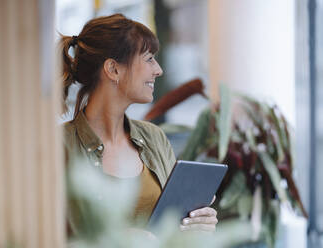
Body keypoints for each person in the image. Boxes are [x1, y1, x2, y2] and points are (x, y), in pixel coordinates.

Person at [60, 13, 218, 237]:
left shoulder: (155, 137)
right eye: (149, 58)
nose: (158, 70)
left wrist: (198, 226)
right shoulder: (58, 146)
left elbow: (175, 231)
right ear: (113, 69)